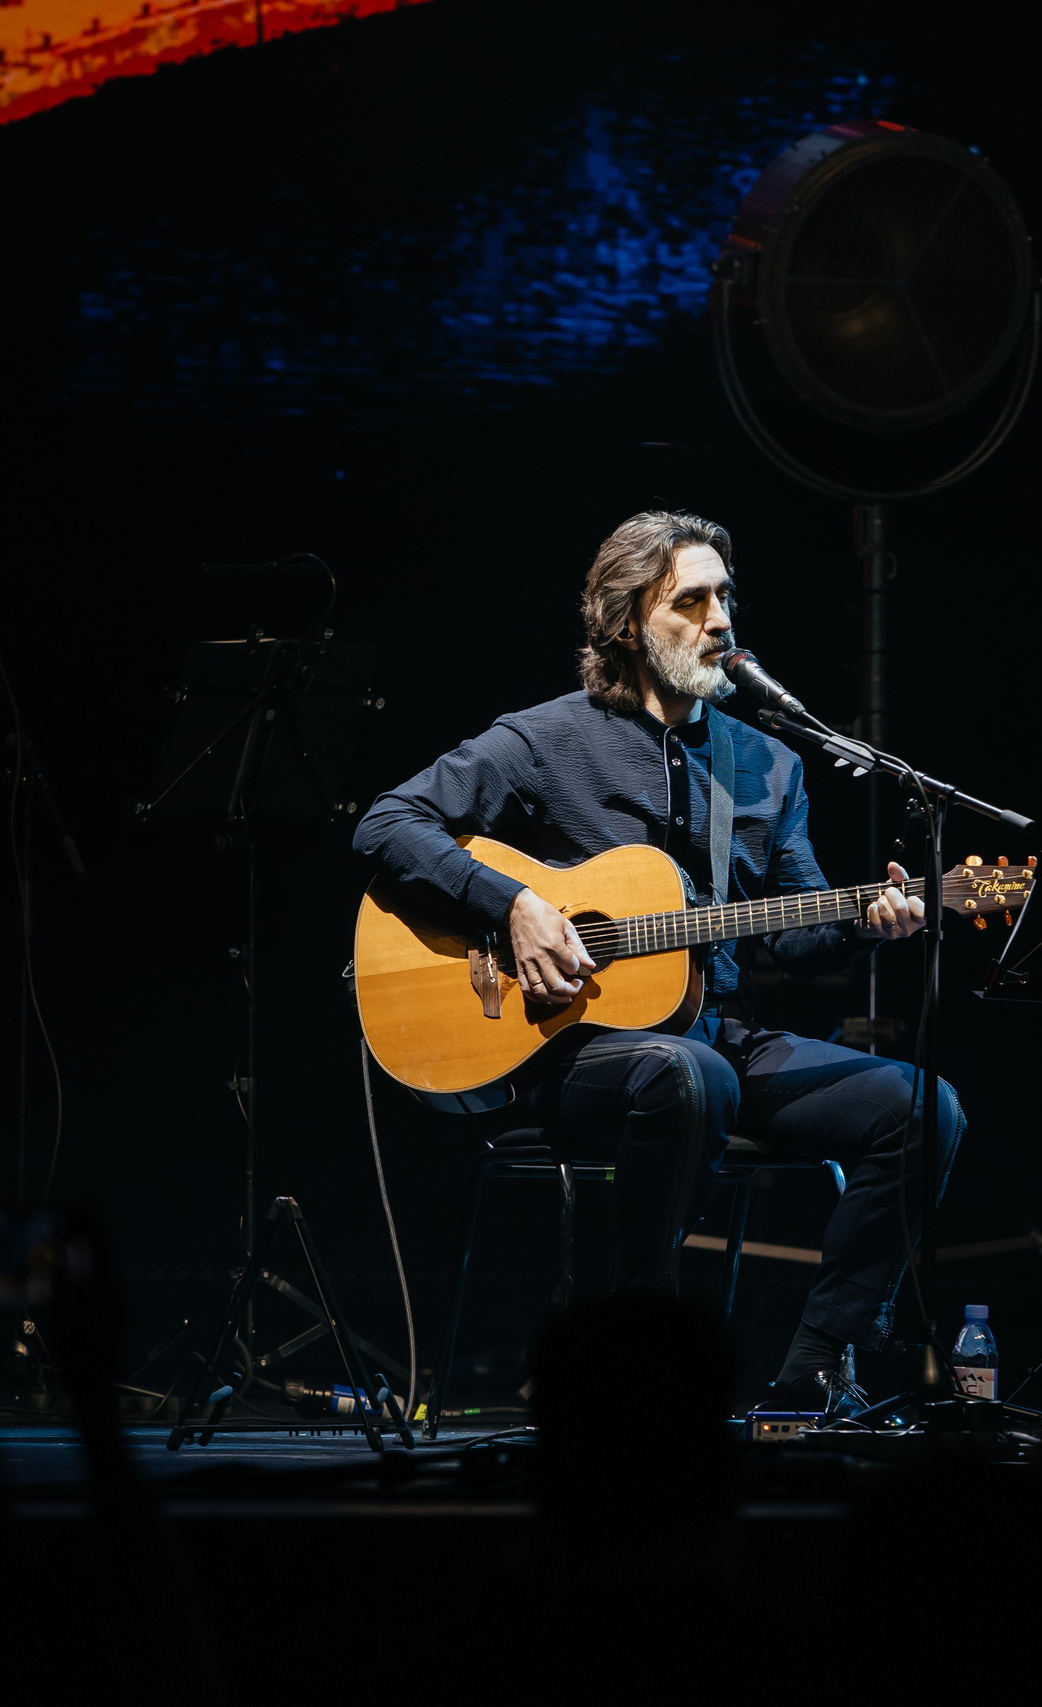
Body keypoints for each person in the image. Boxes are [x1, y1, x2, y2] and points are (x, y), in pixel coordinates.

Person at [354, 511, 954, 1413]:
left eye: (727, 598)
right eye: (693, 600)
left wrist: (871, 920)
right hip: (572, 1054)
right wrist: (513, 904)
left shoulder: (767, 764)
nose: (721, 620)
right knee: (686, 1076)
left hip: (715, 1037)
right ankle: (640, 1356)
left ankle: (815, 1371)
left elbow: (790, 932)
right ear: (631, 622)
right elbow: (387, 823)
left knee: (923, 1106)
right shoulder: (543, 738)